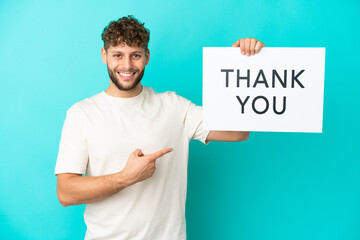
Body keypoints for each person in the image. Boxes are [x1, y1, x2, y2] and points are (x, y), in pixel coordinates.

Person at [55, 15, 265, 240]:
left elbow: (239, 131)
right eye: (118, 55)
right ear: (104, 55)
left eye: (135, 55)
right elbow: (66, 193)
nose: (127, 65)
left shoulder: (174, 106)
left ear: (147, 57)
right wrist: (126, 177)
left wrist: (247, 65)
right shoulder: (82, 113)